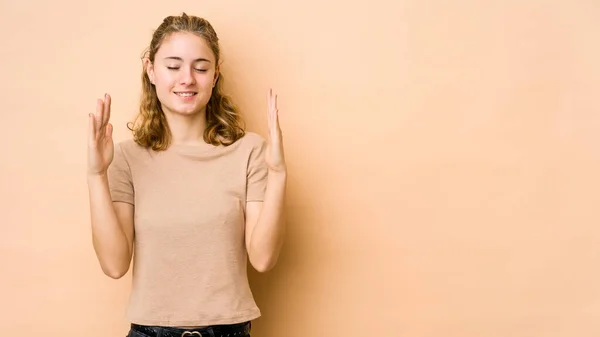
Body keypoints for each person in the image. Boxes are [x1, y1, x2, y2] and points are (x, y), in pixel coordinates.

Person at [86, 12, 286, 337]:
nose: (188, 79)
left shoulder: (249, 151)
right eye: (173, 66)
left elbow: (263, 258)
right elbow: (114, 265)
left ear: (216, 73)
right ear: (151, 70)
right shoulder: (124, 157)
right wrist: (96, 175)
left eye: (201, 67)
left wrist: (277, 173)